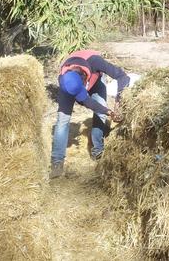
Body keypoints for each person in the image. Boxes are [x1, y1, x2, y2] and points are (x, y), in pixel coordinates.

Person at [50, 50, 130, 178]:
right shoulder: (64, 79)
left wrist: (118, 102)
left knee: (100, 114)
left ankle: (97, 151)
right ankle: (57, 163)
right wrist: (108, 111)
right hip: (73, 86)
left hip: (95, 80)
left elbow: (123, 77)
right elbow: (86, 101)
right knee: (62, 121)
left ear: (84, 79)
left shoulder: (95, 61)